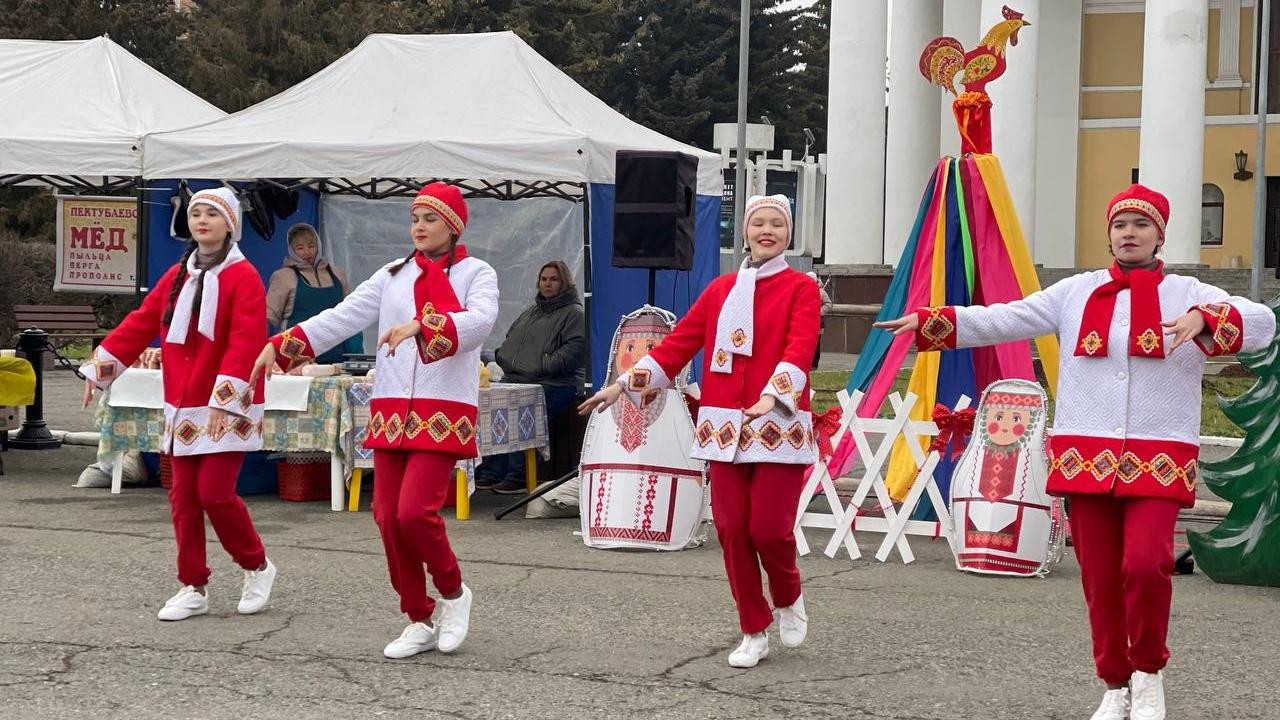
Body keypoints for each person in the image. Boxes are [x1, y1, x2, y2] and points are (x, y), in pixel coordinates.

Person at [875, 184, 1276, 720]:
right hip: (1084, 455)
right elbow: (1006, 318)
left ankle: (1149, 671)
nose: (1128, 233)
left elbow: (1264, 323)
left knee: (1147, 565)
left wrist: (1207, 318)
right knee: (1099, 575)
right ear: (1108, 234)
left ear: (1160, 234)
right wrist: (934, 322)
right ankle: (1115, 683)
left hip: (1159, 454)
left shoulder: (1189, 292)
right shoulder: (1076, 292)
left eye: (1140, 224)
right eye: (1119, 225)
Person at [250, 182, 498, 660]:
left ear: (453, 224)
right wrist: (283, 344)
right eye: (414, 218)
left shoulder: (475, 272)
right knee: (386, 517)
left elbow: (482, 320)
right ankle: (417, 616)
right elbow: (340, 317)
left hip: (441, 409)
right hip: (389, 412)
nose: (419, 227)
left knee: (415, 514)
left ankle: (453, 592)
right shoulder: (392, 275)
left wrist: (423, 326)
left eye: (430, 218)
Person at [579, 194, 821, 669]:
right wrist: (623, 385)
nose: (766, 231)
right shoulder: (720, 290)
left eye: (776, 224)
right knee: (731, 530)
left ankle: (788, 596)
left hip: (778, 423)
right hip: (724, 427)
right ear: (745, 233)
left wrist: (775, 394)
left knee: (769, 530)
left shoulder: (801, 288)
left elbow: (800, 344)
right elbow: (678, 345)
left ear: (788, 234)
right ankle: (753, 628)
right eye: (758, 224)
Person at [80, 188, 278, 622]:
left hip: (225, 402)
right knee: (183, 498)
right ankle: (193, 584)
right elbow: (142, 322)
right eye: (196, 213)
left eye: (212, 214)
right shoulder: (177, 275)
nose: (202, 220)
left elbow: (246, 339)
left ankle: (257, 565)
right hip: (182, 401)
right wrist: (100, 369)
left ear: (230, 224)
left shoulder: (243, 277)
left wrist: (224, 400)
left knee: (215, 494)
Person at [476, 260, 585, 494]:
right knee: (491, 408)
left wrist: (538, 367)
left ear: (563, 282)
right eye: (544, 279)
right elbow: (511, 341)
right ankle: (491, 471)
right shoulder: (531, 312)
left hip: (557, 383)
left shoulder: (574, 314)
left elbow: (573, 354)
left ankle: (519, 477)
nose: (547, 283)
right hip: (520, 379)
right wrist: (504, 358)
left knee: (523, 409)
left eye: (553, 279)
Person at [265, 223, 364, 363]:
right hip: (297, 355)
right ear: (291, 250)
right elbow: (268, 316)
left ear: (318, 245)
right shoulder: (283, 277)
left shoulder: (338, 274)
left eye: (311, 246)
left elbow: (350, 313)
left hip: (336, 352)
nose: (307, 252)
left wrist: (355, 353)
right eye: (300, 248)